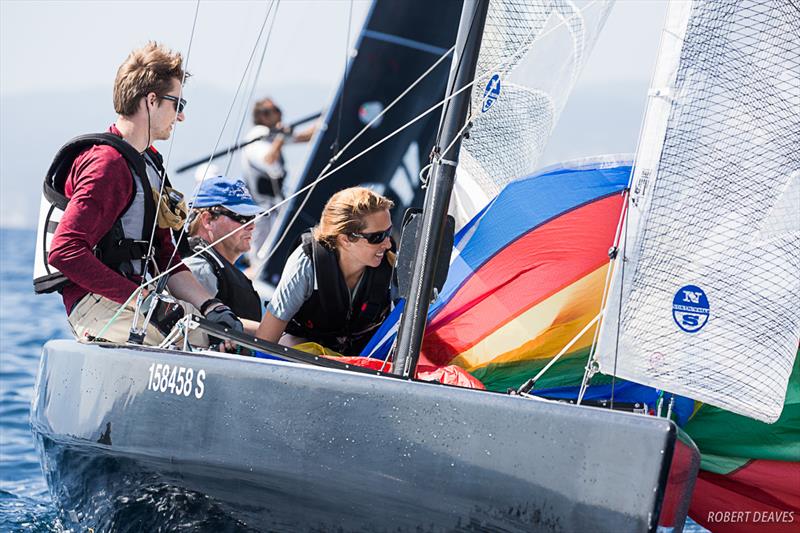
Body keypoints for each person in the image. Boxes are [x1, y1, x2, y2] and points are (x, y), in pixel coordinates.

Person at [47, 41, 241, 346]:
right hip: (98, 306)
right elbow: (64, 252)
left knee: (229, 337)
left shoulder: (147, 162)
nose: (181, 116)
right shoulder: (106, 165)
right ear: (151, 101)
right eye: (177, 104)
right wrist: (147, 301)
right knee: (207, 346)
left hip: (136, 301)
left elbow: (165, 255)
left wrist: (210, 305)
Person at [256, 187, 395, 356]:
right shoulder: (306, 263)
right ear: (345, 240)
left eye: (388, 233)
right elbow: (265, 342)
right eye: (377, 237)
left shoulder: (392, 265)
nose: (387, 244)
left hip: (364, 361)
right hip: (307, 356)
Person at [184, 176, 264, 333]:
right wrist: (276, 335)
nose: (252, 226)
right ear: (208, 220)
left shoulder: (214, 268)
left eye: (252, 218)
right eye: (242, 218)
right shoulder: (198, 268)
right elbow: (196, 325)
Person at [241, 98, 316, 258]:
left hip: (275, 208)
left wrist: (326, 118)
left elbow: (306, 137)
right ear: (263, 116)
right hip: (262, 213)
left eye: (278, 109)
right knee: (261, 256)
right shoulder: (258, 136)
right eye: (273, 110)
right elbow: (269, 160)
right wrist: (281, 138)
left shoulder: (273, 135)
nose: (278, 114)